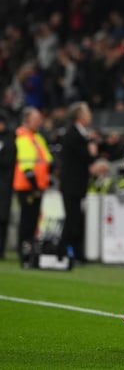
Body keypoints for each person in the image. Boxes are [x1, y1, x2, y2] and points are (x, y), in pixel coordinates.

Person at [58, 102, 107, 263]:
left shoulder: (80, 134)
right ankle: (62, 252)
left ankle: (74, 253)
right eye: (87, 113)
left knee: (76, 219)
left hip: (76, 183)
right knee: (72, 218)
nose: (90, 116)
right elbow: (86, 157)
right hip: (71, 184)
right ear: (79, 116)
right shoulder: (73, 134)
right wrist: (92, 148)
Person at [13, 107, 52, 267]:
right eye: (36, 118)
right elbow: (27, 166)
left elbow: (47, 159)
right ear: (27, 120)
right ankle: (24, 253)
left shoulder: (36, 137)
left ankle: (29, 252)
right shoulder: (23, 137)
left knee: (33, 220)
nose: (39, 121)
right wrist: (35, 187)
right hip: (28, 186)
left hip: (37, 186)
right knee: (27, 221)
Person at [0, 110, 16, 259]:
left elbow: (8, 161)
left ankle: (1, 250)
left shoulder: (9, 139)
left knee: (2, 218)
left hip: (4, 184)